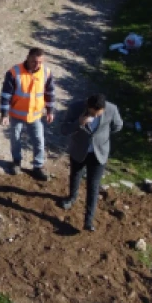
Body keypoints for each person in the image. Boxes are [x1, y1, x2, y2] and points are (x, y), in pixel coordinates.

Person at [59, 94, 123, 231]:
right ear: (88, 107)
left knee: (93, 186)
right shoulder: (75, 108)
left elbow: (118, 125)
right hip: (79, 150)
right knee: (75, 176)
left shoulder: (111, 109)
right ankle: (71, 198)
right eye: (94, 113)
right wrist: (78, 123)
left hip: (99, 153)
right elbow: (64, 129)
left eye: (100, 113)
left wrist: (103, 136)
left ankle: (88, 221)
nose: (97, 115)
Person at [0, 48, 57, 180]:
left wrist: (50, 111)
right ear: (27, 57)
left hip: (36, 115)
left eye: (39, 62)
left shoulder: (46, 73)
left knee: (39, 141)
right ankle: (16, 162)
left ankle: (38, 166)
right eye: (33, 62)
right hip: (16, 114)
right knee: (15, 139)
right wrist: (4, 114)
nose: (36, 65)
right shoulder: (14, 72)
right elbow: (6, 95)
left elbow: (50, 93)